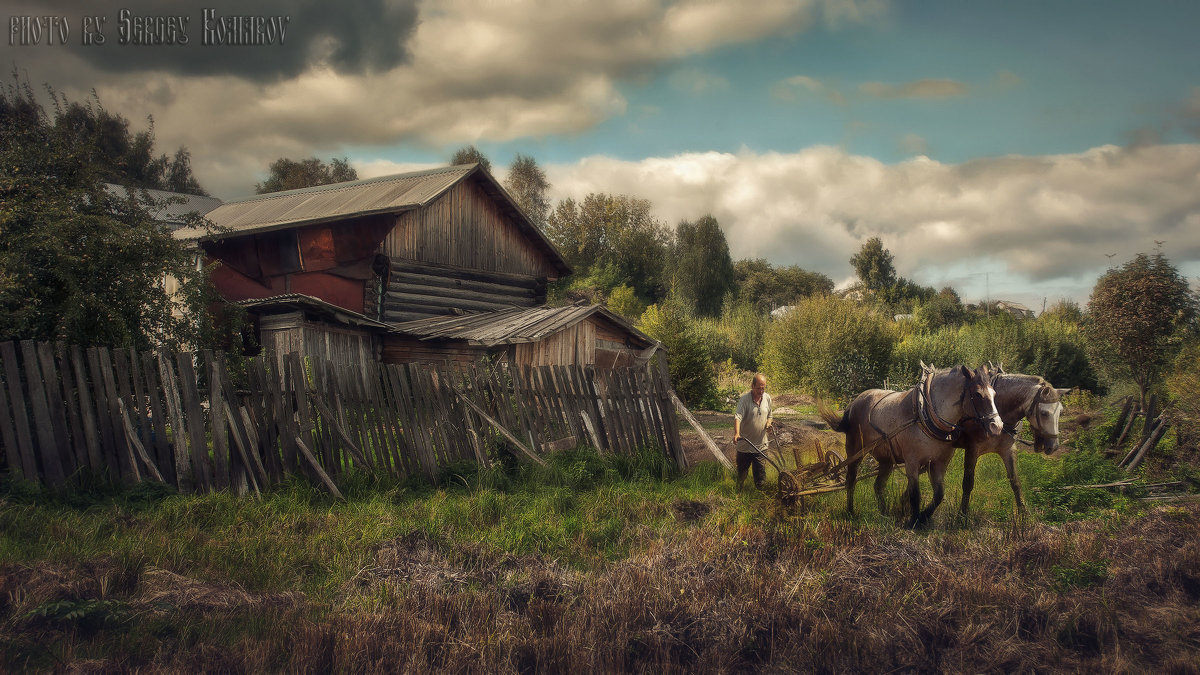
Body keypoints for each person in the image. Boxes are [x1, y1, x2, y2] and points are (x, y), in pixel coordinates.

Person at [733, 373, 773, 491]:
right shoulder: (744, 400)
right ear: (752, 385)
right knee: (741, 475)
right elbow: (737, 417)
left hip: (761, 445)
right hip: (745, 446)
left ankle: (760, 497)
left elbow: (770, 415)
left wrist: (769, 423)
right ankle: (738, 495)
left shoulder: (767, 398)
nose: (761, 390)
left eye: (763, 387)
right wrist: (736, 433)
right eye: (759, 387)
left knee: (760, 477)